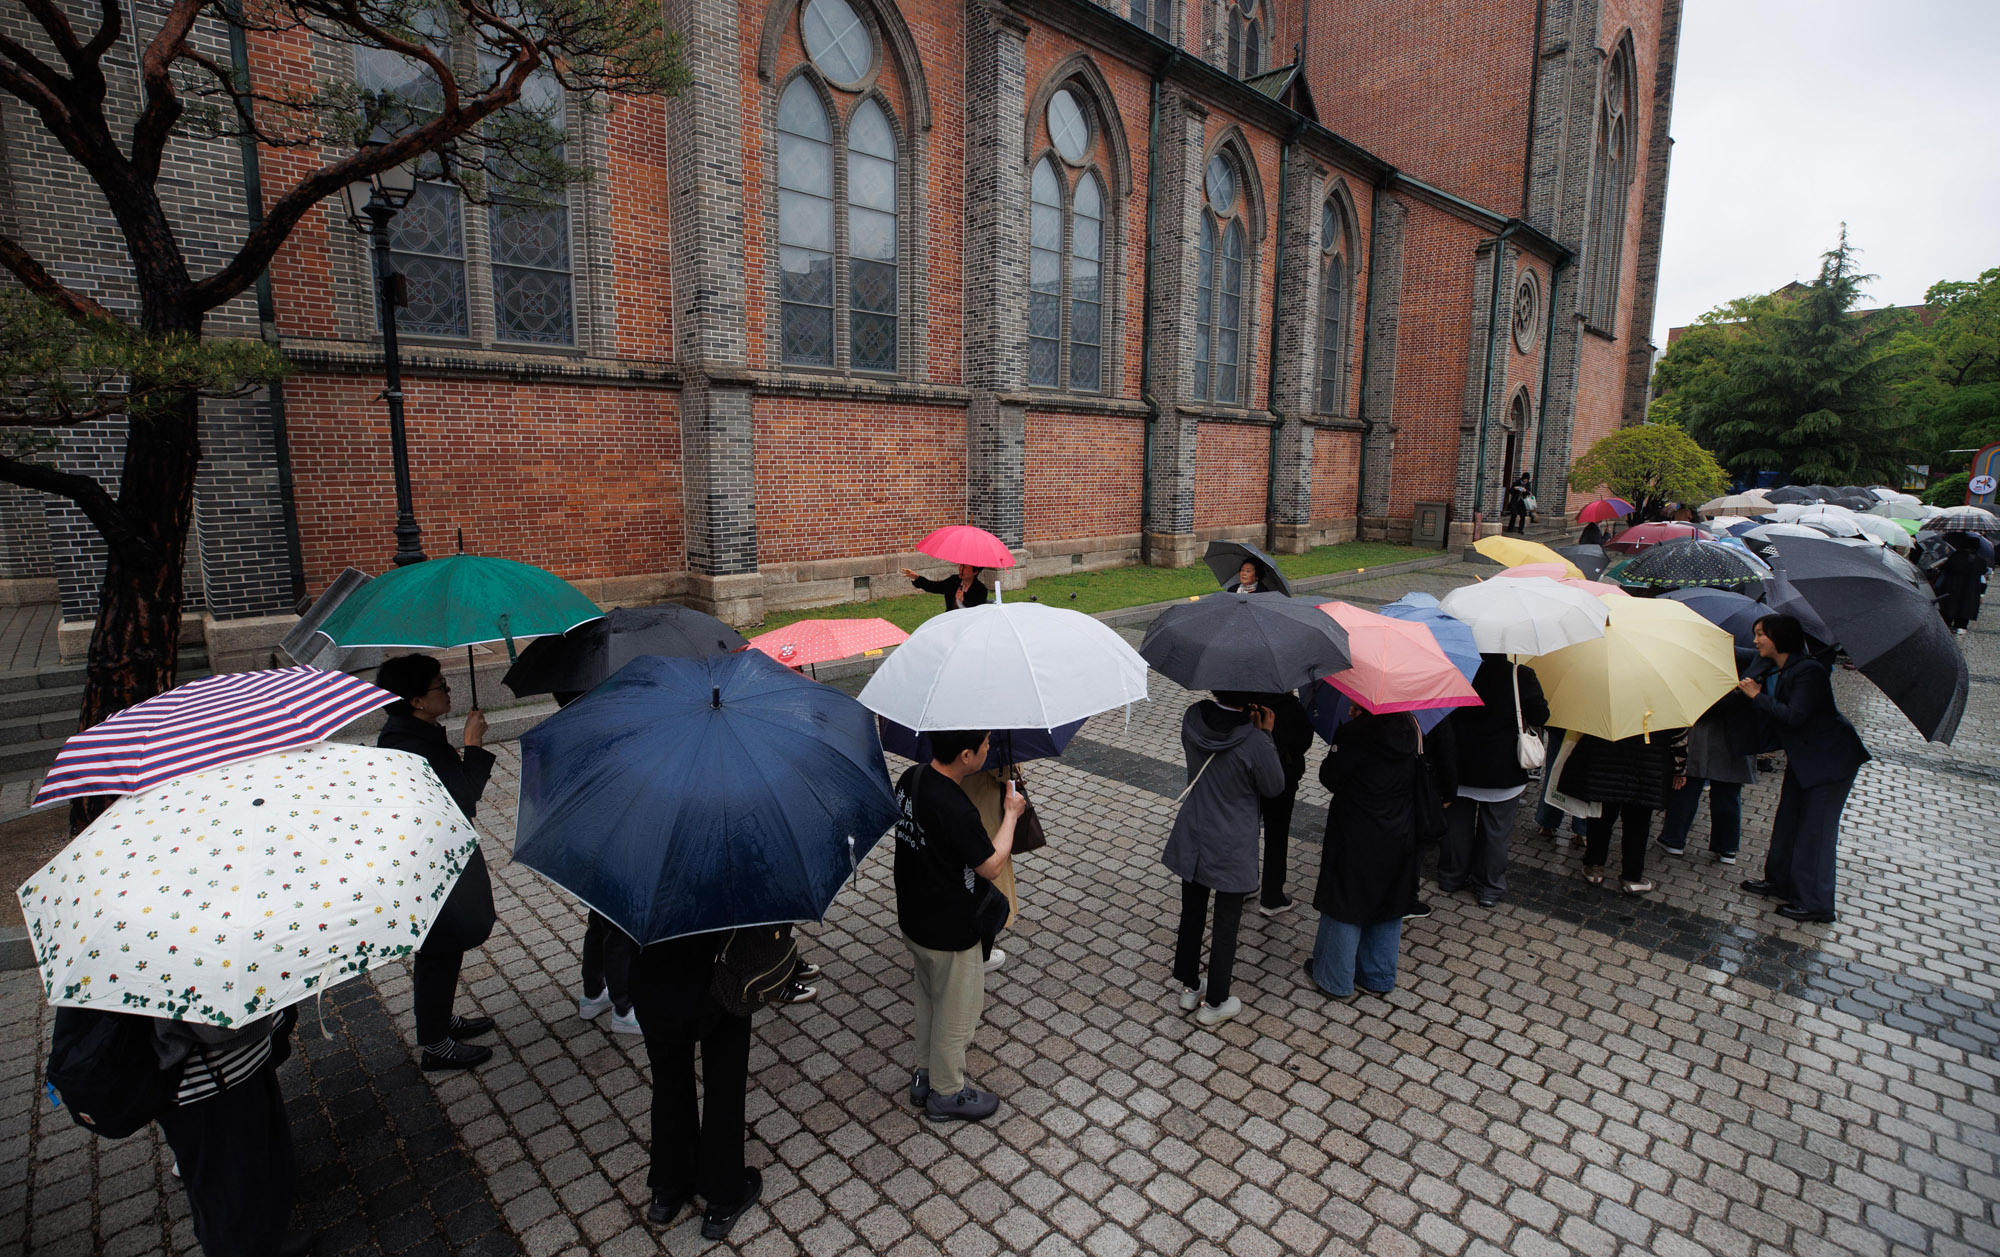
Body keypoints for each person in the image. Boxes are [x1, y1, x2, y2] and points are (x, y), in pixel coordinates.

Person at [894, 728, 1025, 1122]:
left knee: (929, 1000)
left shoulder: (910, 778)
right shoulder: (956, 807)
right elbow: (991, 864)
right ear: (966, 755)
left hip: (915, 917)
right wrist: (1011, 814)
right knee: (958, 1014)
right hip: (950, 929)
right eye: (985, 745)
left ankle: (925, 1073)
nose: (989, 748)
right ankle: (947, 1093)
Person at [376, 654, 499, 1071]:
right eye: (439, 687)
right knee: (441, 944)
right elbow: (463, 799)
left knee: (446, 944)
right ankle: (435, 1043)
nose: (447, 690)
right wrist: (473, 744)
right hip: (431, 860)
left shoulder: (418, 731)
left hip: (441, 853)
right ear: (415, 700)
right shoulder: (408, 744)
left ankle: (439, 1021)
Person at [629, 930, 762, 1240]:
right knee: (724, 1082)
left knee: (668, 1080)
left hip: (653, 969)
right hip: (719, 972)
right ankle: (722, 1193)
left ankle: (669, 1186)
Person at [1738, 613, 1870, 923]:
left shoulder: (1810, 672)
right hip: (1804, 759)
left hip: (1829, 762)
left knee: (1816, 832)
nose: (1756, 640)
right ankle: (1781, 880)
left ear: (1780, 638)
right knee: (1788, 822)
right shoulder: (1785, 666)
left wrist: (1757, 696)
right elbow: (1747, 658)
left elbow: (1795, 716)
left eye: (1761, 635)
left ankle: (1817, 903)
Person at [1163, 691, 1284, 1027]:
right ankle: (1215, 1001)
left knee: (1192, 911)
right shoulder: (1255, 740)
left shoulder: (1192, 718)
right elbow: (1274, 786)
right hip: (1231, 841)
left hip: (1195, 829)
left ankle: (1189, 985)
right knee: (1227, 921)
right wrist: (1266, 735)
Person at [1307, 706, 1437, 998]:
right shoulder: (1411, 727)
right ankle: (1378, 974)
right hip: (1400, 827)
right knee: (1391, 897)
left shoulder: (1354, 733)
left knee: (1345, 895)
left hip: (1356, 828)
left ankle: (1335, 977)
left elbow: (1330, 777)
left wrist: (1344, 737)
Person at [154, 1012, 305, 1257]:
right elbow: (220, 1026)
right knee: (231, 1189)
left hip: (220, 1075)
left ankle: (262, 1241)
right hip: (213, 1082)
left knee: (227, 1181)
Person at [1439, 656, 1548, 908]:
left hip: (1460, 765)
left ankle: (1451, 877)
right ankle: (1489, 888)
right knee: (1496, 833)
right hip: (1503, 770)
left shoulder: (1458, 671)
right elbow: (1541, 715)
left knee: (1456, 828)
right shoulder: (1521, 675)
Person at [1561, 725, 1688, 896]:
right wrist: (1679, 771)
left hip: (1607, 765)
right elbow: (1679, 740)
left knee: (1601, 819)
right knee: (1638, 825)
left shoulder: (1608, 698)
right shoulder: (1665, 703)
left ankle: (1594, 867)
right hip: (1647, 769)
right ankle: (1632, 877)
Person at [1656, 688, 1757, 864]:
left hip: (1704, 728)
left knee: (1688, 785)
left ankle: (1673, 838)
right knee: (1728, 793)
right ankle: (1727, 847)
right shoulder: (1757, 666)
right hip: (1738, 732)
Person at [1246, 690, 1312, 916]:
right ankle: (1272, 896)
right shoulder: (1292, 707)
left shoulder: (1248, 701)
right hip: (1283, 777)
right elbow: (1304, 741)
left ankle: (1245, 883)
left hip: (1251, 776)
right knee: (1277, 835)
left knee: (1248, 827)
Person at [1934, 533, 1990, 634]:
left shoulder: (1956, 557)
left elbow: (1945, 569)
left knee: (1950, 606)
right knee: (1966, 607)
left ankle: (1947, 624)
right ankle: (1960, 626)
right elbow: (1983, 571)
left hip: (1953, 585)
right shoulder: (1980, 560)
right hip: (1971, 588)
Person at [901, 562, 988, 613]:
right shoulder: (953, 581)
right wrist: (917, 577)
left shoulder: (980, 589)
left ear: (975, 572)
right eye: (960, 566)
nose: (960, 569)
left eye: (965, 568)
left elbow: (978, 612)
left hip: (969, 625)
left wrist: (963, 600)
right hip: (949, 620)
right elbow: (934, 586)